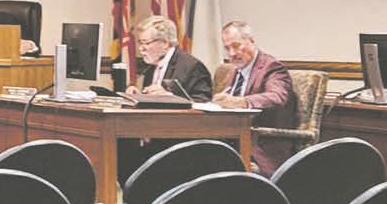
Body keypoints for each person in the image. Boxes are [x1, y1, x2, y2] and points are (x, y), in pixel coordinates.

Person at [118, 15, 215, 182]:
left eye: (145, 43)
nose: (141, 49)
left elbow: (204, 104)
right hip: (154, 134)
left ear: (164, 43)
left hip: (179, 140)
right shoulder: (151, 68)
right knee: (119, 145)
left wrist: (170, 97)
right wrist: (137, 96)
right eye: (140, 43)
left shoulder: (191, 66)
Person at [212, 21, 297, 175]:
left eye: (236, 46)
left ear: (251, 41)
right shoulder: (235, 70)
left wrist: (242, 102)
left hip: (260, 145)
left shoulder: (271, 67)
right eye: (227, 48)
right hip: (232, 137)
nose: (231, 53)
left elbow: (277, 97)